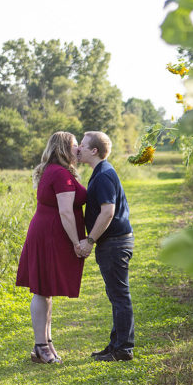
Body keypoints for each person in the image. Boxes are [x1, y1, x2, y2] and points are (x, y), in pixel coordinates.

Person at [15, 131, 88, 364]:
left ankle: (45, 343)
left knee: (45, 290)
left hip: (46, 232)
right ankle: (40, 346)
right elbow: (65, 212)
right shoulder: (60, 174)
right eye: (75, 145)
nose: (78, 149)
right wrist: (77, 242)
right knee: (41, 289)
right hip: (49, 236)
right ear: (64, 148)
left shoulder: (55, 170)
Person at [76, 131, 135, 362]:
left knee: (119, 295)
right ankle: (116, 345)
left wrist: (90, 240)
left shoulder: (102, 176)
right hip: (113, 242)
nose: (78, 148)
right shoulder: (102, 171)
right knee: (116, 295)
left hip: (114, 242)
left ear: (94, 151)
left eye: (82, 145)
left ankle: (123, 349)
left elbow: (108, 211)